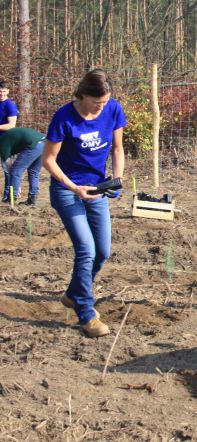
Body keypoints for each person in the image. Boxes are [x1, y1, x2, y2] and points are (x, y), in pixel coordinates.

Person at [42, 69, 126, 338]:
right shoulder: (64, 117)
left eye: (105, 102)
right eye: (96, 103)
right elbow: (48, 160)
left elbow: (117, 148)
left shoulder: (113, 109)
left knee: (103, 251)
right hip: (67, 190)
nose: (101, 108)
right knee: (86, 250)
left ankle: (73, 293)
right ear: (82, 94)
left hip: (97, 190)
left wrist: (117, 178)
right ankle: (86, 312)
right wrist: (73, 187)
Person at [0, 128, 45, 205]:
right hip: (45, 142)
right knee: (33, 172)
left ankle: (11, 199)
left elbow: (10, 169)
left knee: (15, 171)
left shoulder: (2, 145)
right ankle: (32, 199)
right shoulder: (5, 138)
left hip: (33, 144)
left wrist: (16, 186)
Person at [1, 80, 20, 201]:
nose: (1, 94)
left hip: (6, 141)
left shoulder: (10, 105)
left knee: (7, 169)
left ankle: (9, 197)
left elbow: (11, 125)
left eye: (3, 91)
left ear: (8, 91)